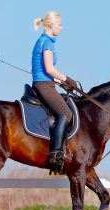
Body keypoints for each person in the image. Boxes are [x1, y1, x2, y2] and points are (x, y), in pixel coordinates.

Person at [31, 11, 77, 174]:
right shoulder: (47, 43)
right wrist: (67, 78)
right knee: (66, 113)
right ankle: (55, 154)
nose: (61, 27)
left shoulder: (43, 41)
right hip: (44, 86)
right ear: (51, 25)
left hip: (45, 83)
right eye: (59, 25)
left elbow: (44, 71)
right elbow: (50, 68)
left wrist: (60, 83)